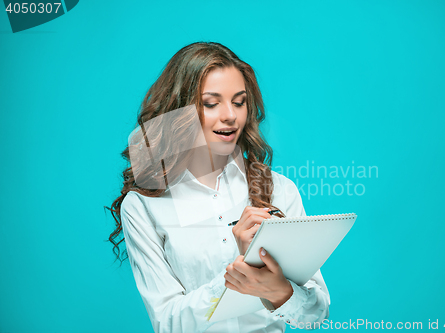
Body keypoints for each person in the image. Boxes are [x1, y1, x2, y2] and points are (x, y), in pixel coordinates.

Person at [106, 41, 330, 333]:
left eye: (239, 101)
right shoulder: (143, 205)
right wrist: (237, 273)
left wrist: (279, 290)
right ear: (179, 110)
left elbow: (315, 315)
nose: (230, 116)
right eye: (211, 103)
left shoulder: (280, 190)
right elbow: (168, 323)